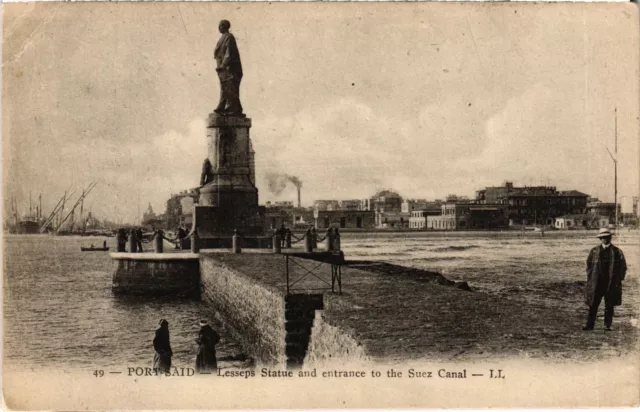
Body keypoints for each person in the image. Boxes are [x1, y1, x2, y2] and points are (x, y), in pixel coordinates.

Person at [583, 228, 627, 331]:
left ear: (610, 238)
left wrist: (618, 279)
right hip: (597, 283)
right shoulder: (594, 251)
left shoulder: (617, 252)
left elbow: (623, 267)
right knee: (593, 304)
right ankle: (589, 325)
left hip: (611, 283)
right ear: (600, 239)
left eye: (607, 237)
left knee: (609, 305)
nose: (605, 240)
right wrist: (591, 277)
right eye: (602, 238)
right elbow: (588, 265)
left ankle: (607, 325)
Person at [214, 20, 244, 117]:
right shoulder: (223, 38)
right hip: (224, 70)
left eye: (220, 25)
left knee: (230, 89)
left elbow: (229, 54)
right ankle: (223, 107)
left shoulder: (229, 37)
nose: (219, 27)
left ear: (224, 26)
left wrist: (222, 66)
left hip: (230, 70)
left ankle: (231, 109)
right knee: (225, 88)